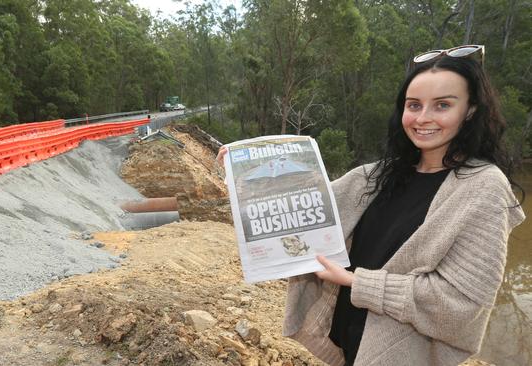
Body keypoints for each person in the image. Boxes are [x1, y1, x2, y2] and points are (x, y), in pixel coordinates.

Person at [217, 45, 526, 366]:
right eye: (414, 105)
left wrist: (356, 282)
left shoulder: (483, 188)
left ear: (471, 110)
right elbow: (289, 211)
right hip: (350, 341)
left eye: (443, 105)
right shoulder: (376, 176)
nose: (423, 118)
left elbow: (462, 306)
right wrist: (244, 177)